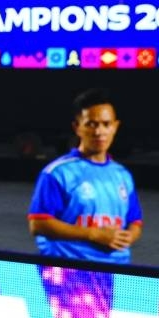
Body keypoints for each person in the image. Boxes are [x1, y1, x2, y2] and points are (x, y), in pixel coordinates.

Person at [27, 88, 143, 263]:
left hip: (116, 271)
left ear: (115, 127)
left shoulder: (122, 175)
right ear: (77, 127)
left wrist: (129, 237)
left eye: (106, 124)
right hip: (69, 272)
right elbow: (38, 224)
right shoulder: (57, 173)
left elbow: (134, 221)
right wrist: (94, 234)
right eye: (91, 124)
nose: (99, 132)